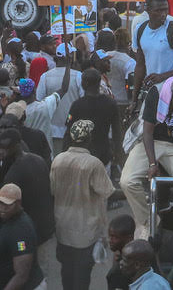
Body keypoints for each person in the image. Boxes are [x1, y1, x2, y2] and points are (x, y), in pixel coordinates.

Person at [120, 72, 173, 244]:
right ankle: (149, 220)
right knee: (127, 181)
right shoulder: (157, 93)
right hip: (150, 141)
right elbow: (147, 132)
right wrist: (152, 163)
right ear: (172, 90)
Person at [50, 119, 114, 289]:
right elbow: (106, 192)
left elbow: (52, 190)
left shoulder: (58, 160)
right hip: (86, 232)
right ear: (89, 138)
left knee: (67, 274)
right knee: (82, 278)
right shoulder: (93, 164)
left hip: (63, 228)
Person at [0, 128, 54, 245]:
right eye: (0, 148)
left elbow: (7, 207)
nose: (1, 152)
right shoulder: (38, 159)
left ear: (17, 146)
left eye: (6, 148)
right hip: (44, 225)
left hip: (26, 232)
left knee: (22, 258)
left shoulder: (14, 173)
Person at [0, 184, 44, 290]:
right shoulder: (7, 220)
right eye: (0, 203)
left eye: (8, 204)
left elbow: (22, 275)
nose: (2, 207)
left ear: (18, 203)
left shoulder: (21, 231)